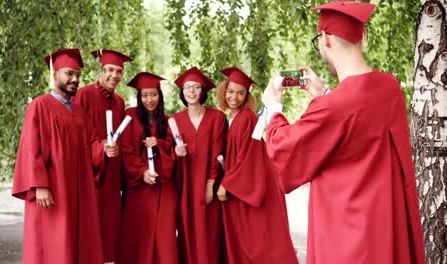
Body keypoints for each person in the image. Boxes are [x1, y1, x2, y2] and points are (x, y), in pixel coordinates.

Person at [261, 2, 426, 264]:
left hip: (346, 240)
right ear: (363, 36)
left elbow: (282, 150)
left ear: (325, 39)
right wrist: (323, 93)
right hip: (383, 230)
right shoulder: (389, 88)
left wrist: (274, 108)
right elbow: (354, 120)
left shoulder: (332, 108)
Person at [12, 48, 116, 264]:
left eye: (77, 75)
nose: (74, 79)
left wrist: (103, 150)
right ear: (55, 73)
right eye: (69, 73)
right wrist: (39, 185)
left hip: (78, 192)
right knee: (53, 246)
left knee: (76, 244)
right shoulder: (40, 105)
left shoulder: (78, 111)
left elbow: (91, 146)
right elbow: (31, 149)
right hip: (52, 191)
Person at [216, 66, 299, 264]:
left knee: (257, 238)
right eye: (230, 92)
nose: (234, 97)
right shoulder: (233, 118)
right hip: (241, 182)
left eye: (240, 93)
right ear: (223, 91)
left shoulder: (247, 117)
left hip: (250, 183)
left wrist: (226, 183)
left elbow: (248, 154)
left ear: (247, 97)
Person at [72, 49, 131, 264]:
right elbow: (77, 135)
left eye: (118, 71)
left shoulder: (119, 102)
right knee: (90, 222)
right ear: (101, 70)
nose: (113, 76)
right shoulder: (84, 95)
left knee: (109, 222)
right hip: (90, 171)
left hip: (112, 173)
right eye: (109, 70)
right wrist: (99, 147)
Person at [118, 72, 178, 264]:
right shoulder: (130, 116)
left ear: (160, 96)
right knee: (138, 233)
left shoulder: (168, 121)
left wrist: (159, 143)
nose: (149, 100)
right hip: (139, 186)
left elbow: (172, 149)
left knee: (164, 233)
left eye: (153, 94)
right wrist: (142, 171)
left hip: (163, 185)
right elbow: (126, 150)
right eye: (144, 95)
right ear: (139, 96)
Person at [172, 66, 227, 264]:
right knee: (187, 230)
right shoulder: (174, 120)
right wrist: (176, 153)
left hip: (208, 184)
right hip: (185, 187)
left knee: (209, 231)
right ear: (182, 92)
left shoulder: (217, 118)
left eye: (196, 87)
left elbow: (218, 152)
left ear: (203, 91)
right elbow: (170, 156)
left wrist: (210, 184)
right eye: (187, 87)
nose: (192, 91)